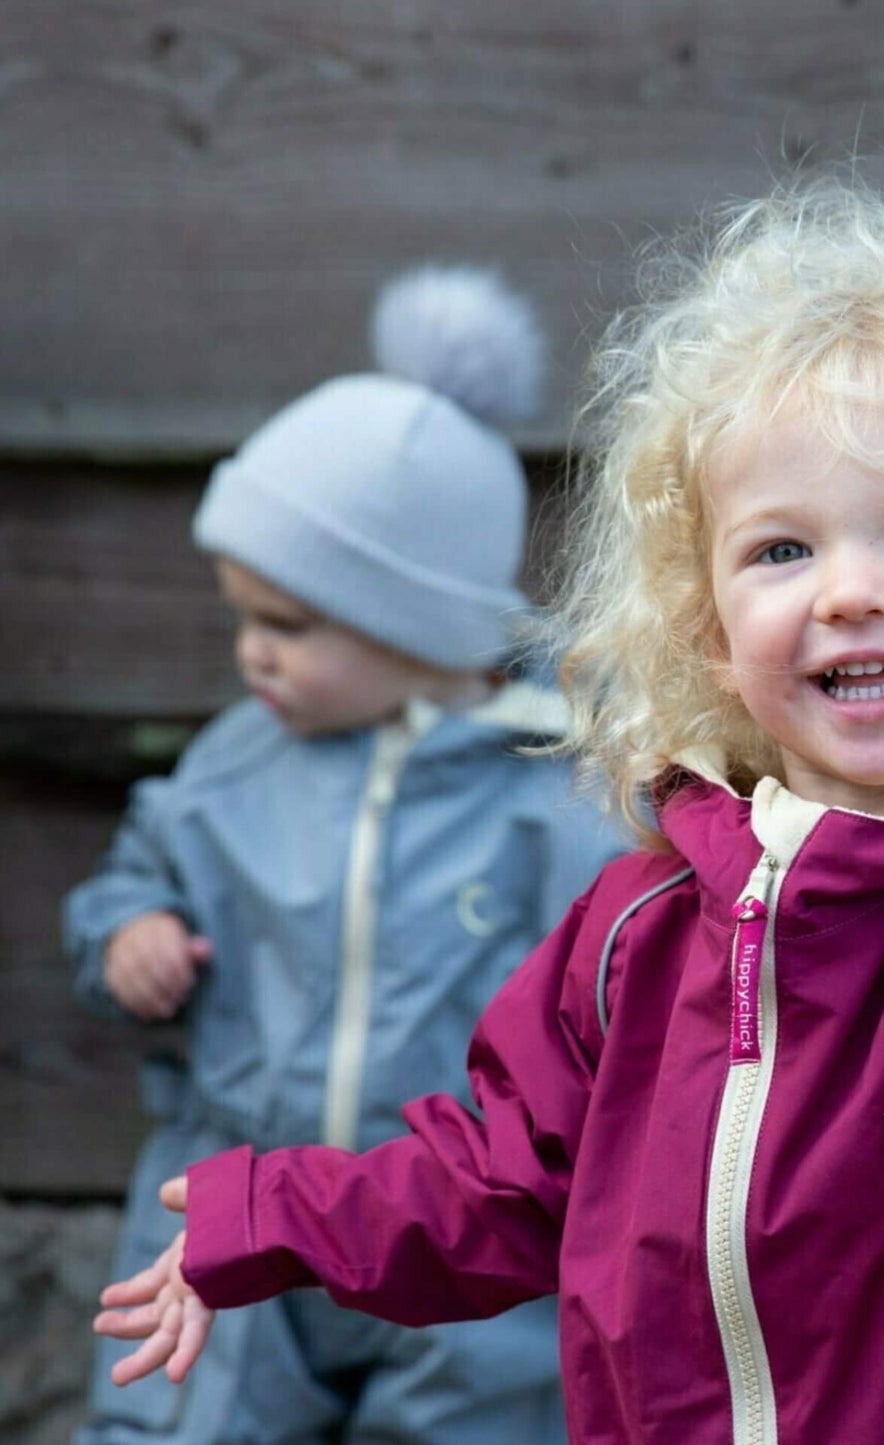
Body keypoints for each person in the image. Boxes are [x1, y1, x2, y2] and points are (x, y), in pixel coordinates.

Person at [92, 180, 884, 1443]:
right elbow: (499, 1178)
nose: (850, 591)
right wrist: (264, 1215)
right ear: (705, 630)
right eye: (782, 550)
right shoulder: (639, 926)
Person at [66, 265, 620, 1445]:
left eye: (290, 623)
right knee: (179, 1413)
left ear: (415, 624)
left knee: (476, 1419)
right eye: (243, 618)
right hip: (229, 1194)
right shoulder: (233, 763)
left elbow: (613, 988)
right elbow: (140, 866)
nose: (252, 655)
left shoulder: (555, 798)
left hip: (457, 1219)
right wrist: (127, 932)